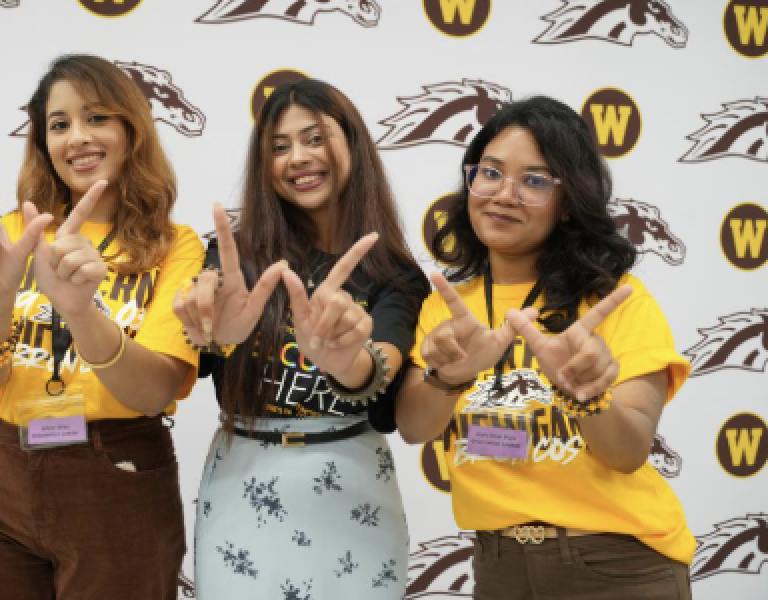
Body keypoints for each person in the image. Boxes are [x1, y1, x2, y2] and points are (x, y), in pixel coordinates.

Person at [395, 96, 694, 600]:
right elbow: (414, 427)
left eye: (534, 181)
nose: (504, 195)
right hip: (499, 567)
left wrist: (585, 395)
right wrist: (448, 378)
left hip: (615, 565)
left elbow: (627, 453)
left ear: (569, 201)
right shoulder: (447, 307)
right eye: (491, 172)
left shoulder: (615, 301)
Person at [0, 54, 202, 600]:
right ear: (44, 143)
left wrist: (82, 312)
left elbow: (153, 391)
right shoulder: (16, 232)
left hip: (118, 477)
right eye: (59, 124)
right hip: (0, 474)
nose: (77, 137)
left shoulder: (175, 246)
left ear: (132, 131)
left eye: (97, 117)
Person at [174, 79, 429, 598]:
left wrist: (345, 361)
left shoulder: (396, 275)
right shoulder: (233, 259)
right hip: (243, 481)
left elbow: (379, 370)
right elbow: (197, 347)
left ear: (352, 144)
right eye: (279, 146)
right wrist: (214, 337)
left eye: (315, 139)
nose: (298, 158)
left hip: (353, 488)